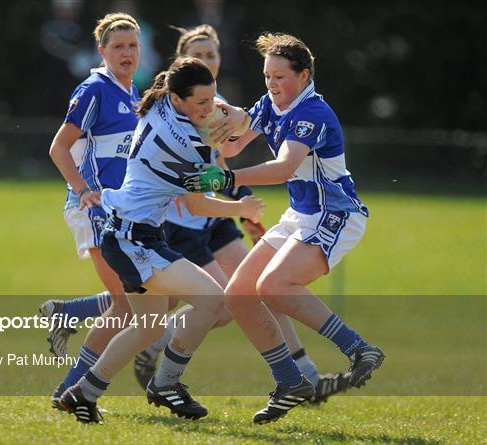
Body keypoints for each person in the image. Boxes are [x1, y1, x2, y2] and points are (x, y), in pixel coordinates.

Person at [134, 24, 349, 406]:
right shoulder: (180, 111)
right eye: (198, 56)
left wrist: (244, 205)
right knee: (208, 305)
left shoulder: (219, 106)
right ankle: (151, 349)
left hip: (215, 219)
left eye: (212, 54)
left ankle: (307, 378)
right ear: (182, 64)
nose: (207, 61)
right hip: (186, 221)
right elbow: (204, 179)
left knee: (254, 290)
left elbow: (223, 164)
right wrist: (237, 200)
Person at [183, 33, 385, 424]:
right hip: (299, 215)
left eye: (279, 77)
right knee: (239, 295)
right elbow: (231, 148)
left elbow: (283, 168)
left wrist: (225, 181)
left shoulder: (312, 112)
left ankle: (361, 350)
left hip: (335, 215)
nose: (272, 84)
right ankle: (291, 382)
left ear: (304, 75)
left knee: (273, 287)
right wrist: (215, 121)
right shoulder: (271, 104)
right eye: (267, 77)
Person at [59, 56, 265, 423]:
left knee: (148, 327)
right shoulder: (187, 143)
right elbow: (198, 204)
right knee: (213, 299)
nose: (209, 109)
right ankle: (167, 383)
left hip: (128, 233)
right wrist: (242, 207)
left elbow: (219, 118)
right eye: (201, 103)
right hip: (133, 239)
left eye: (211, 99)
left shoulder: (158, 104)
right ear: (178, 99)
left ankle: (83, 394)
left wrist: (228, 112)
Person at [41, 12, 142, 412]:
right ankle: (75, 390)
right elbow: (58, 147)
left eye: (133, 45)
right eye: (118, 46)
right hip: (93, 210)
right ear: (102, 51)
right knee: (128, 304)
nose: (127, 52)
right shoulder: (95, 89)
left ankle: (70, 320)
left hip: (122, 211)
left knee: (146, 301)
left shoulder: (134, 95)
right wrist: (85, 192)